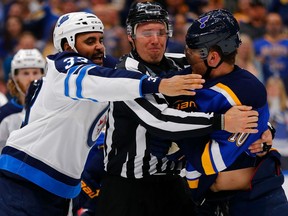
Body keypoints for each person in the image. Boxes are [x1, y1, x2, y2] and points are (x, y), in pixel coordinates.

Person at [0, 11, 226, 216]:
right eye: (89, 41)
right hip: (23, 180)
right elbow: (103, 79)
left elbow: (125, 70)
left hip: (60, 189)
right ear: (67, 46)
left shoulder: (104, 72)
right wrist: (158, 84)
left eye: (100, 40)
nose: (99, 46)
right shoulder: (63, 66)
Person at [97, 2, 259, 216]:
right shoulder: (125, 73)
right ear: (130, 36)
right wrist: (222, 121)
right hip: (127, 190)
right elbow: (161, 121)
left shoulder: (181, 65)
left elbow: (232, 88)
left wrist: (261, 127)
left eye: (161, 32)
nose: (155, 40)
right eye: (146, 32)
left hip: (174, 184)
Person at [178, 9, 288, 215]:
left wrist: (177, 130)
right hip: (207, 202)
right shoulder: (185, 78)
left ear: (212, 57)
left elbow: (207, 162)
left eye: (191, 50)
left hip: (259, 199)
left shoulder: (247, 90)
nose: (185, 55)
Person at [0, 48, 46, 153]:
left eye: (35, 72)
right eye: (25, 73)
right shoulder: (4, 114)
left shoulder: (53, 110)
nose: (31, 78)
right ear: (15, 77)